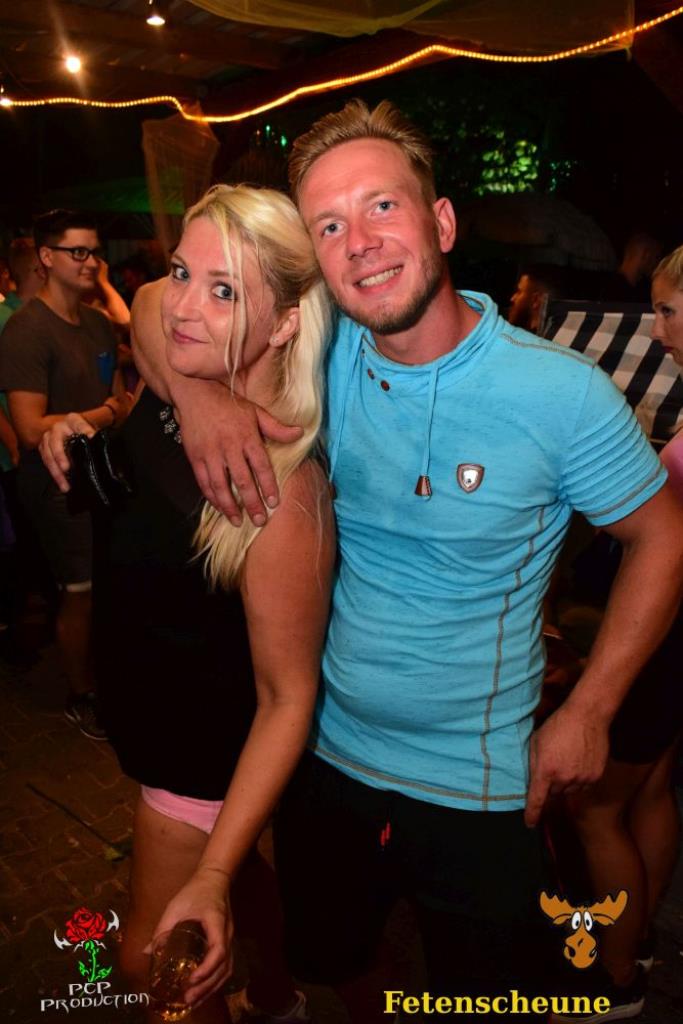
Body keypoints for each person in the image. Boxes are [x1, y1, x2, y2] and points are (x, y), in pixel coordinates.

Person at [131, 101, 683, 1021]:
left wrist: (590, 708)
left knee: (486, 998)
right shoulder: (320, 349)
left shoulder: (561, 394)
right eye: (329, 225)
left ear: (442, 222)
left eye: (381, 206)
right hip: (325, 758)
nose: (358, 243)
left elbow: (662, 537)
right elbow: (160, 302)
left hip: (479, 783)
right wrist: (201, 401)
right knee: (330, 964)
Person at [40, 184, 335, 1024]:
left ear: (284, 324)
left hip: (200, 754)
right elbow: (141, 308)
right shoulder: (181, 380)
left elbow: (288, 698)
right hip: (149, 714)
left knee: (151, 962)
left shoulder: (283, 495)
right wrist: (99, 427)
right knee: (241, 878)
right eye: (181, 271)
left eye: (224, 289)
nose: (182, 306)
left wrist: (207, 874)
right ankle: (276, 993)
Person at [557, 245, 683, 1023]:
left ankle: (612, 982)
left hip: (665, 641)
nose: (657, 329)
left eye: (667, 310)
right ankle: (636, 946)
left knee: (593, 809)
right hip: (673, 642)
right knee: (650, 791)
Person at [0, 210, 133, 739]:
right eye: (77, 252)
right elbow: (31, 428)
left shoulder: (97, 323)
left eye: (94, 251)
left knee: (110, 581)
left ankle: (109, 678)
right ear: (46, 258)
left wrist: (113, 411)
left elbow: (121, 395)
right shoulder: (26, 330)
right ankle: (82, 694)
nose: (90, 261)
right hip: (56, 482)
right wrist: (105, 414)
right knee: (80, 588)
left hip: (103, 471)